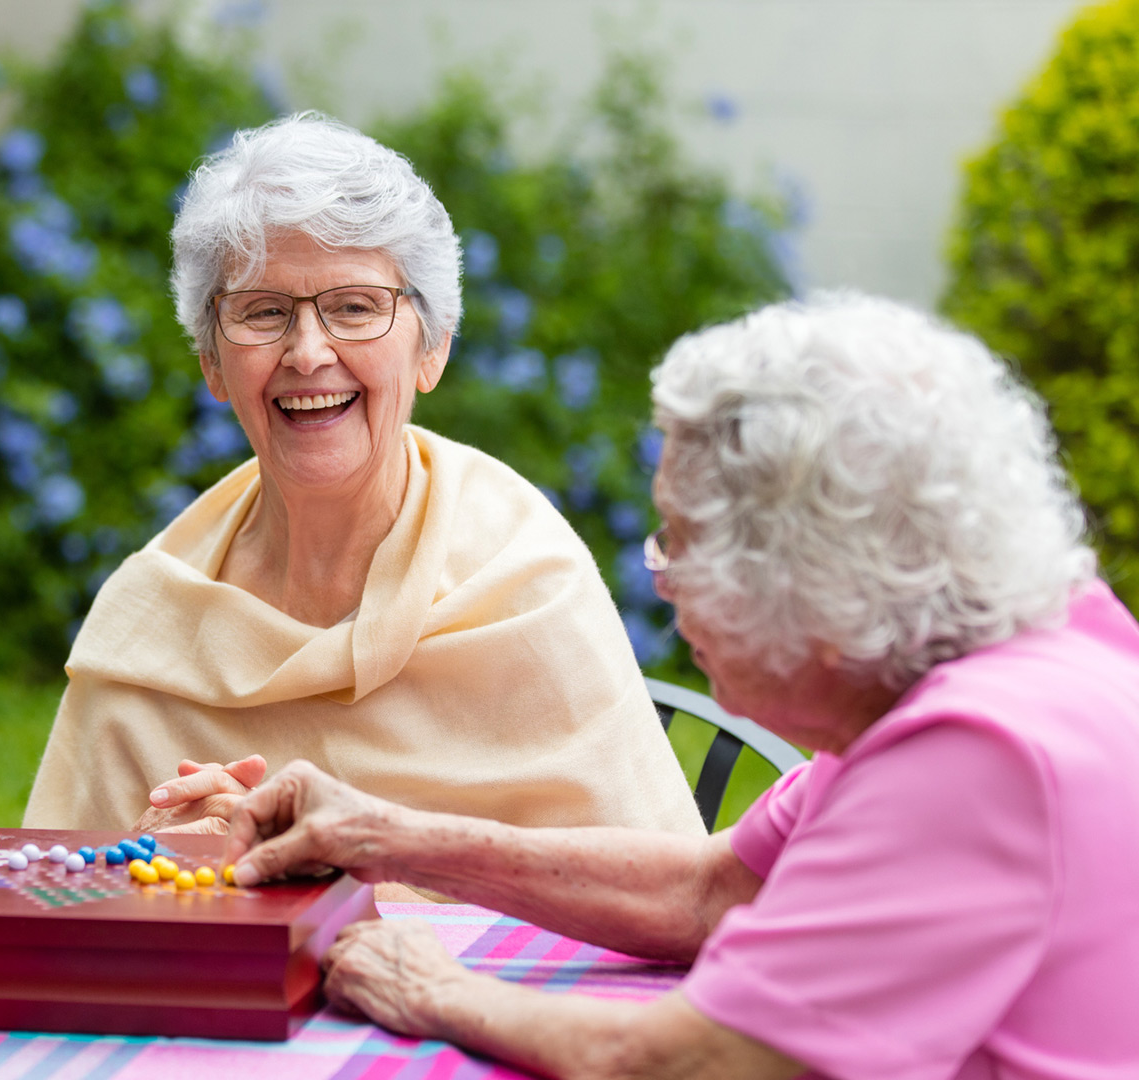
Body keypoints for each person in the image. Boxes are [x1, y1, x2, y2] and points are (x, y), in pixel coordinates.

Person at [220, 293, 1139, 1078]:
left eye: (680, 545)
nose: (661, 580)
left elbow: (689, 1060)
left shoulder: (977, 755)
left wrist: (440, 991)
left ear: (801, 578)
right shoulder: (1032, 653)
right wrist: (383, 834)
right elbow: (710, 891)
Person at [22, 113, 701, 844]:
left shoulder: (523, 580)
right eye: (263, 312)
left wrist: (323, 881)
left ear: (432, 349)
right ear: (212, 364)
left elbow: (649, 900)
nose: (308, 352)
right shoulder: (150, 621)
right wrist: (163, 867)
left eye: (355, 307)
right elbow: (61, 914)